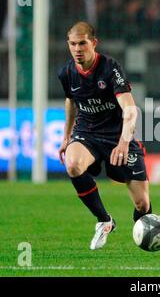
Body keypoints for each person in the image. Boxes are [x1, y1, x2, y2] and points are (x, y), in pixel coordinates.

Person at [57, 22, 151, 250]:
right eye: (72, 44)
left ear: (93, 43)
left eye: (82, 43)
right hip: (86, 133)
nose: (77, 49)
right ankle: (104, 220)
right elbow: (70, 101)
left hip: (116, 136)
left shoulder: (110, 68)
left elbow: (130, 108)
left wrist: (123, 143)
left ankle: (145, 230)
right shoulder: (67, 72)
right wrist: (67, 135)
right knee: (73, 164)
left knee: (142, 203)